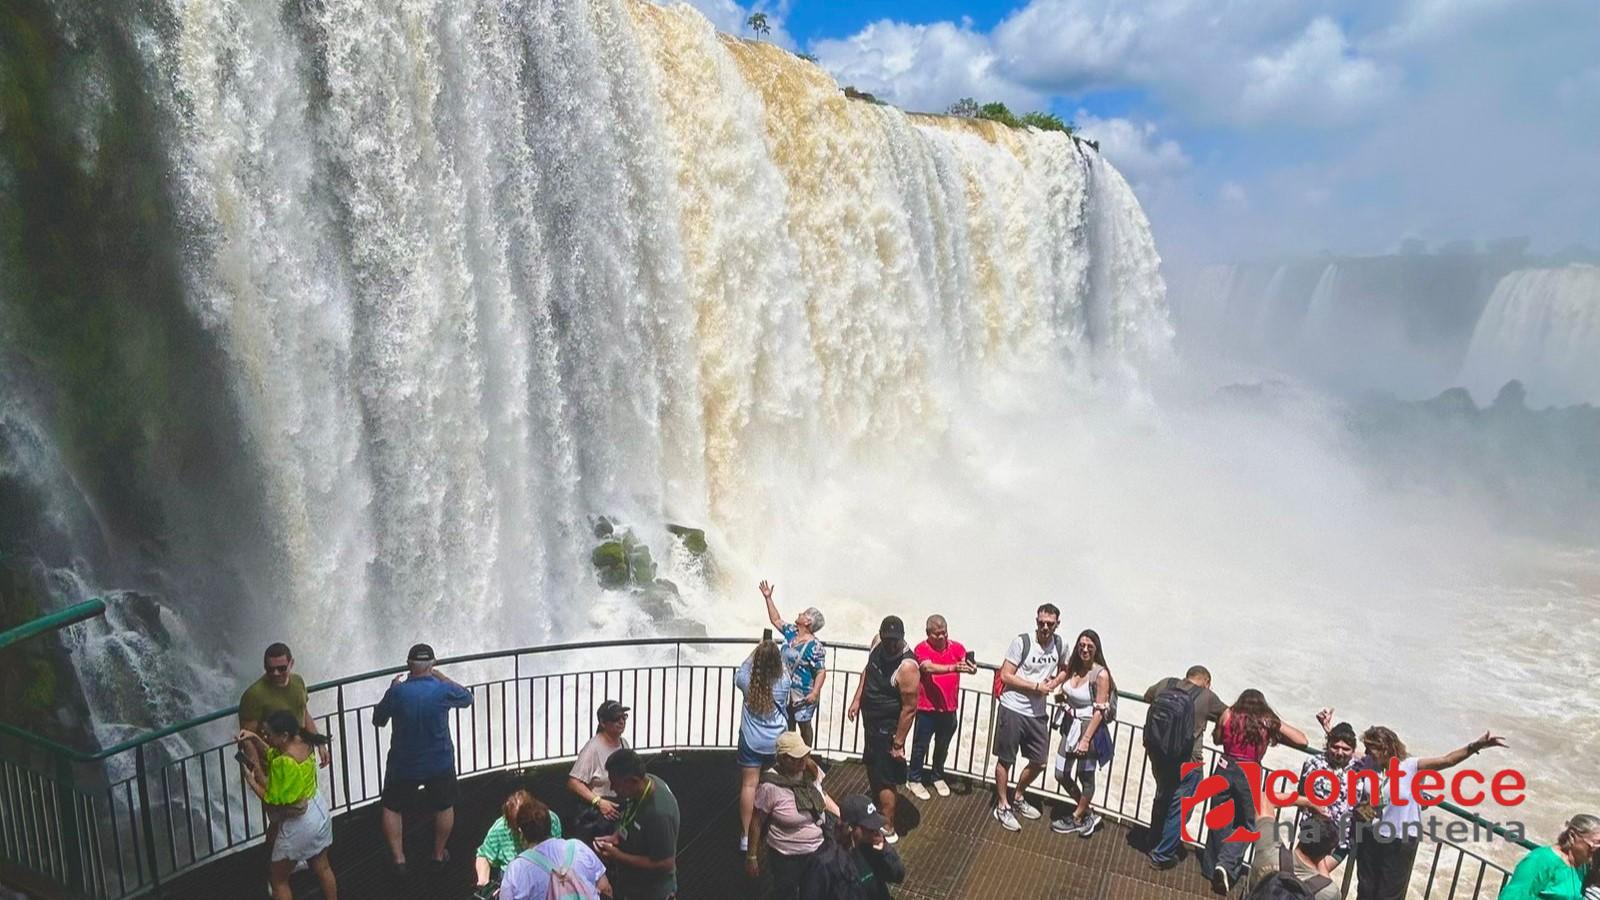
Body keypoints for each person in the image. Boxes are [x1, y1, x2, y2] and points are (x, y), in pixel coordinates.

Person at [1354, 725, 1507, 900]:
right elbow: (1346, 751)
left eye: (1370, 748)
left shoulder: (1410, 766)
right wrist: (1328, 728)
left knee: (1387, 896)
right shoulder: (1369, 763)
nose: (1366, 752)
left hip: (1400, 840)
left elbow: (1447, 760)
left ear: (1385, 748)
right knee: (1365, 892)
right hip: (1371, 836)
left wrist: (1476, 746)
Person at [371, 643, 474, 874]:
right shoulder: (441, 690)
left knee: (392, 807)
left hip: (403, 763)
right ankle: (438, 855)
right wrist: (442, 676)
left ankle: (399, 860)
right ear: (432, 664)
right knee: (444, 805)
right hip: (439, 762)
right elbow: (467, 698)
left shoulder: (398, 692)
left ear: (408, 666)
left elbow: (378, 719)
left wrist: (391, 690)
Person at [1204, 689, 1309, 894]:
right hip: (1248, 772)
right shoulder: (1266, 720)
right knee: (1251, 824)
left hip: (1224, 767)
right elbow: (1302, 740)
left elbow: (1217, 739)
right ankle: (1225, 865)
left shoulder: (1228, 714)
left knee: (1219, 819)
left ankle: (1211, 867)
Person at [239, 643, 328, 864]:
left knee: (297, 812)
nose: (276, 674)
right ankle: (278, 864)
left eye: (281, 668)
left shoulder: (298, 682)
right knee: (280, 818)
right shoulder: (254, 695)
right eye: (270, 669)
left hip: (300, 759)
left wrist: (320, 744)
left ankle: (293, 858)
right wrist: (259, 771)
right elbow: (246, 736)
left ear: (291, 664)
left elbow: (303, 713)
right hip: (276, 765)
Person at [235, 711, 337, 900]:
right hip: (319, 811)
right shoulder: (303, 742)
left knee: (278, 881)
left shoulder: (285, 763)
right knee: (323, 867)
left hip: (300, 824)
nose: (266, 736)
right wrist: (255, 738)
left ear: (283, 736)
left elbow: (271, 800)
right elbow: (274, 752)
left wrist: (251, 781)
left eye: (268, 734)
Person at [1141, 664, 1227, 869]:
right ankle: (1162, 855)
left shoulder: (1167, 683)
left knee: (1162, 797)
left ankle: (1153, 839)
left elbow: (1147, 696)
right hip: (1188, 762)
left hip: (1159, 754)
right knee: (1180, 808)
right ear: (1207, 682)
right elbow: (1228, 715)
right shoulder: (1207, 697)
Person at [991, 603, 1067, 832]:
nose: (1045, 627)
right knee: (1006, 759)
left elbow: (1066, 668)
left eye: (1050, 624)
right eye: (1041, 623)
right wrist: (1035, 686)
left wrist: (1054, 683)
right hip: (1013, 708)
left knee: (1039, 761)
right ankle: (1002, 805)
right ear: (1036, 621)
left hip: (1037, 713)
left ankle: (1018, 795)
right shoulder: (1022, 643)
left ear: (1057, 624)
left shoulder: (1060, 644)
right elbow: (1005, 675)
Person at [846, 616, 919, 844]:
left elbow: (909, 709)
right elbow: (867, 671)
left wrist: (898, 743)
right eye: (887, 639)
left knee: (886, 778)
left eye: (894, 641)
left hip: (887, 729)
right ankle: (877, 808)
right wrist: (857, 699)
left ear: (902, 638)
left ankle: (887, 826)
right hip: (871, 723)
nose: (890, 644)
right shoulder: (877, 642)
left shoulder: (907, 667)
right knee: (873, 766)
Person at [747, 732, 840, 899]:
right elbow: (757, 821)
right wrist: (752, 855)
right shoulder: (769, 786)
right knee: (785, 893)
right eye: (796, 757)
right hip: (785, 856)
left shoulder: (810, 771)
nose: (802, 761)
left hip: (816, 851)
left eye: (804, 755)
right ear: (783, 758)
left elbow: (822, 795)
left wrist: (842, 817)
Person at [1049, 628, 1114, 837]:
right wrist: (1057, 700)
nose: (1085, 650)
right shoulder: (1074, 667)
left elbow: (1099, 710)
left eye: (1089, 647)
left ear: (1096, 649)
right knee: (1061, 773)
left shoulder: (1100, 674)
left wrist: (1086, 740)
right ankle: (1089, 813)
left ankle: (1077, 817)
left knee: (1085, 775)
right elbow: (1063, 694)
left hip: (1089, 729)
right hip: (1070, 725)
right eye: (1082, 645)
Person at [593, 749, 679, 900]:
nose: (612, 789)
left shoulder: (659, 814)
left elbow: (665, 863)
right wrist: (616, 837)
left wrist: (618, 856)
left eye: (616, 784)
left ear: (632, 780)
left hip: (653, 892)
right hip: (633, 884)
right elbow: (631, 815)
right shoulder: (644, 784)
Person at [907, 615, 976, 801]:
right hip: (927, 708)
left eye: (944, 633)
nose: (941, 637)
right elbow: (927, 668)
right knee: (921, 745)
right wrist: (952, 668)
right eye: (937, 634)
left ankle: (937, 776)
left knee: (943, 745)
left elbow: (967, 663)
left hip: (949, 707)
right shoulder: (921, 648)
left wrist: (971, 667)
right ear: (928, 633)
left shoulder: (957, 647)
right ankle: (914, 778)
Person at [735, 638, 791, 853]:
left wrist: (757, 649)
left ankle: (746, 836)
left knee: (749, 785)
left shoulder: (746, 680)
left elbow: (743, 668)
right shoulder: (783, 680)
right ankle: (774, 829)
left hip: (751, 740)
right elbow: (785, 672)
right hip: (776, 741)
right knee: (774, 786)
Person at [499, 795, 611, 900]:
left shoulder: (517, 868)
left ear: (521, 832)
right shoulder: (577, 846)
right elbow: (606, 889)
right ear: (549, 824)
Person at [759, 580, 828, 748]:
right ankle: (789, 758)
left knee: (804, 726)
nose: (799, 613)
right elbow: (775, 619)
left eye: (804, 614)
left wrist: (814, 692)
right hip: (785, 690)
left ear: (808, 622)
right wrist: (768, 598)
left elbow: (821, 671)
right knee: (788, 726)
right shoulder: (791, 632)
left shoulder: (815, 646)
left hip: (803, 694)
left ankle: (805, 756)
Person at [798, 794, 906, 900]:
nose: (875, 832)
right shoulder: (825, 862)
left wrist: (886, 851)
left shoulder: (874, 846)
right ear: (850, 828)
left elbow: (898, 876)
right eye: (869, 828)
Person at [1243, 794, 1340, 900]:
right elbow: (1326, 879)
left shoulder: (1269, 851)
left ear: (1300, 834)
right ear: (1328, 852)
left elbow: (1263, 800)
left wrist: (1308, 802)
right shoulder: (1328, 893)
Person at [1295, 710, 1360, 868]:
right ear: (1328, 745)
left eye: (1345, 749)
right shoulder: (1313, 763)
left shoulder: (1361, 771)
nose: (1339, 753)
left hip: (1341, 840)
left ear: (1353, 750)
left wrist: (1328, 728)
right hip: (1311, 832)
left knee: (1317, 879)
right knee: (1300, 874)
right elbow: (1301, 792)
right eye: (1335, 747)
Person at [473, 790, 564, 899]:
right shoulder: (499, 828)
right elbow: (483, 855)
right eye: (517, 826)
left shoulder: (550, 819)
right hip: (511, 879)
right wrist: (484, 883)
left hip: (548, 872)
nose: (522, 829)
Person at [1497, 814, 1599, 900]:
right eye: (1596, 843)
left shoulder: (1582, 865)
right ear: (1572, 836)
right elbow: (1511, 896)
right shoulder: (1540, 860)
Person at [569, 701, 630, 839]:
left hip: (619, 809)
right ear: (603, 723)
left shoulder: (623, 743)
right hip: (599, 814)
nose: (621, 722)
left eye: (623, 717)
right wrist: (598, 802)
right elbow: (573, 782)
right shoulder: (593, 748)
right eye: (615, 719)